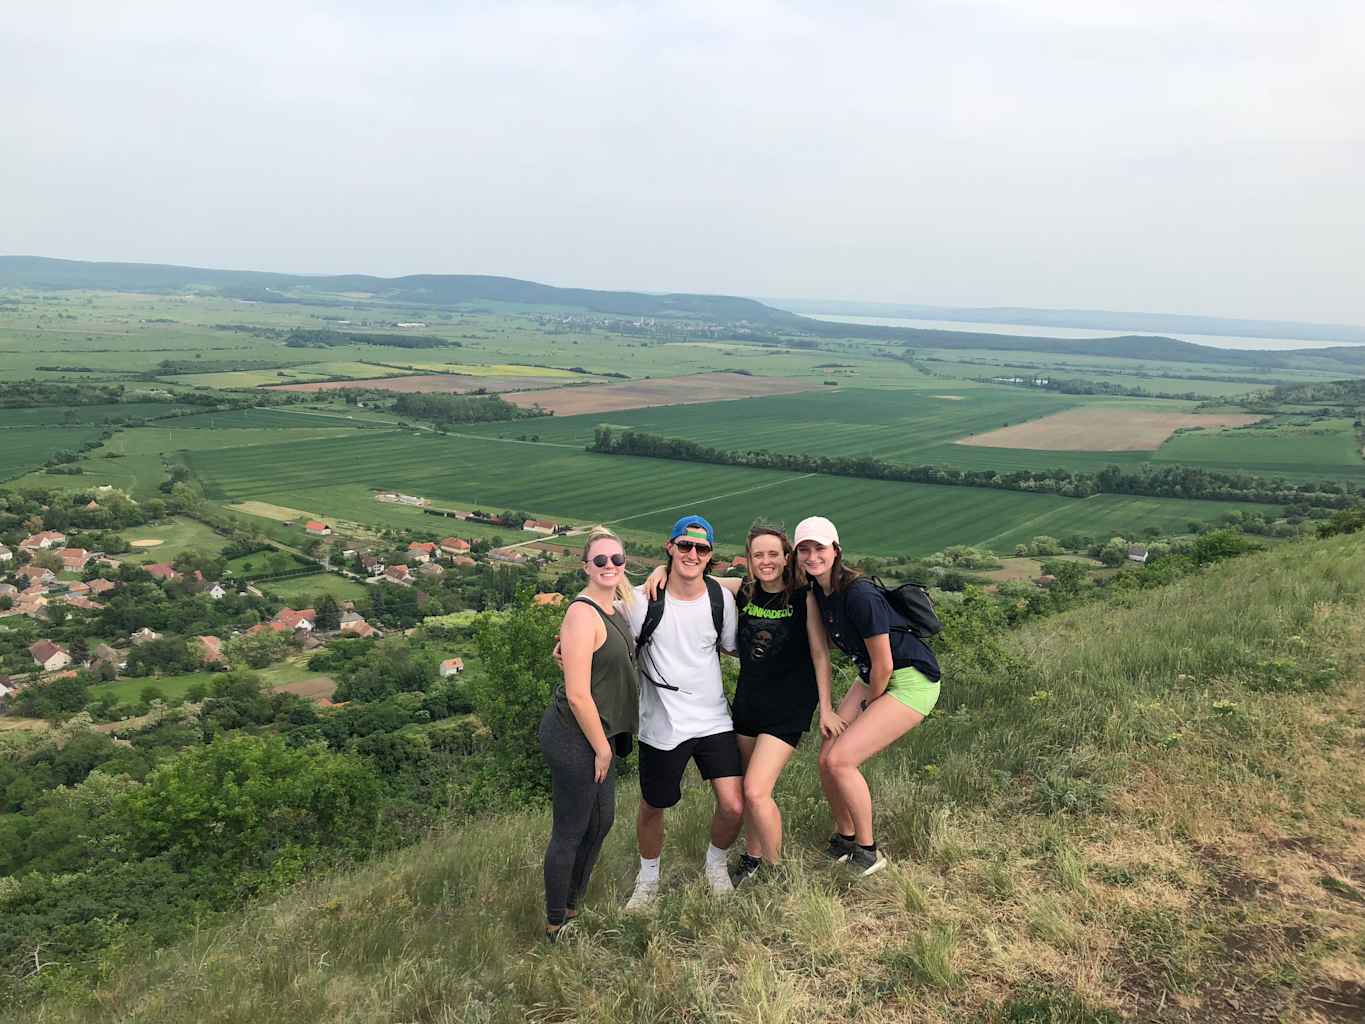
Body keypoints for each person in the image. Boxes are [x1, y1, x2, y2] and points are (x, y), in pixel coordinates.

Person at [646, 523, 844, 883]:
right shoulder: (743, 592)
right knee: (748, 791)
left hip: (788, 710)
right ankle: (752, 858)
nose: (766, 561)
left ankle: (775, 870)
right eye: (758, 555)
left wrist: (827, 707)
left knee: (755, 790)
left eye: (773, 554)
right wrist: (661, 568)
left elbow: (819, 654)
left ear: (786, 558)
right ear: (749, 561)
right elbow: (692, 578)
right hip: (748, 706)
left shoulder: (804, 598)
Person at [796, 516, 941, 877]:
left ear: (836, 550)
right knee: (825, 757)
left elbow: (885, 665)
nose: (812, 556)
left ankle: (868, 850)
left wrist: (867, 707)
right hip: (872, 675)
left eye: (820, 548)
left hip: (909, 679)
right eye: (804, 549)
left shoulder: (859, 595)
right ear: (797, 555)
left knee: (842, 760)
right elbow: (820, 654)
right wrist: (827, 709)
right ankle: (844, 837)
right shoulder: (817, 592)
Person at [623, 514, 743, 909]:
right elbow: (600, 623)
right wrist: (566, 646)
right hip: (662, 725)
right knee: (653, 805)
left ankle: (715, 865)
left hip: (712, 719)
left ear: (711, 556)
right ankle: (648, 880)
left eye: (702, 548)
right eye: (685, 546)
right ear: (670, 547)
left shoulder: (719, 599)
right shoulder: (643, 602)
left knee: (733, 804)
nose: (693, 554)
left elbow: (728, 647)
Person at [538, 528, 638, 941]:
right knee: (571, 829)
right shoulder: (582, 613)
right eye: (600, 560)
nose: (610, 566)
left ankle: (574, 902)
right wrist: (601, 750)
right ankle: (555, 922)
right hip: (574, 736)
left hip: (601, 734)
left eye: (617, 559)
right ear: (586, 567)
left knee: (602, 820)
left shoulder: (617, 606)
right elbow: (579, 695)